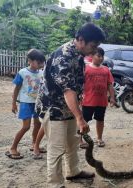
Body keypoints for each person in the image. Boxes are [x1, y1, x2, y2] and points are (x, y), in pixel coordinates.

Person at [35, 23, 105, 188]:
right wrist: (80, 118)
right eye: (93, 46)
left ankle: (73, 172)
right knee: (57, 147)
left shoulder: (79, 55)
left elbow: (75, 87)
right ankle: (55, 183)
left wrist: (77, 113)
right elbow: (68, 90)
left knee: (72, 142)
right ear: (81, 40)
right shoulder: (64, 56)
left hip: (68, 107)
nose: (95, 51)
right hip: (53, 108)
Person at [5, 49, 45, 160]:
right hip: (26, 103)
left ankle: (34, 144)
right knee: (26, 126)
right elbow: (16, 89)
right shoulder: (22, 72)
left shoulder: (41, 73)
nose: (41, 65)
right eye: (39, 62)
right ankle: (12, 147)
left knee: (38, 124)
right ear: (30, 61)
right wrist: (13, 104)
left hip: (37, 103)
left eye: (42, 63)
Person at [79, 47, 116, 149]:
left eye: (102, 56)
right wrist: (79, 97)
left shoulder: (106, 70)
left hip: (101, 101)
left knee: (100, 120)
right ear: (92, 56)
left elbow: (109, 85)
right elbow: (80, 84)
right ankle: (80, 140)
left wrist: (112, 97)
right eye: (98, 56)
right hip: (87, 101)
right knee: (84, 121)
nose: (100, 58)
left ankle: (99, 138)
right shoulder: (85, 69)